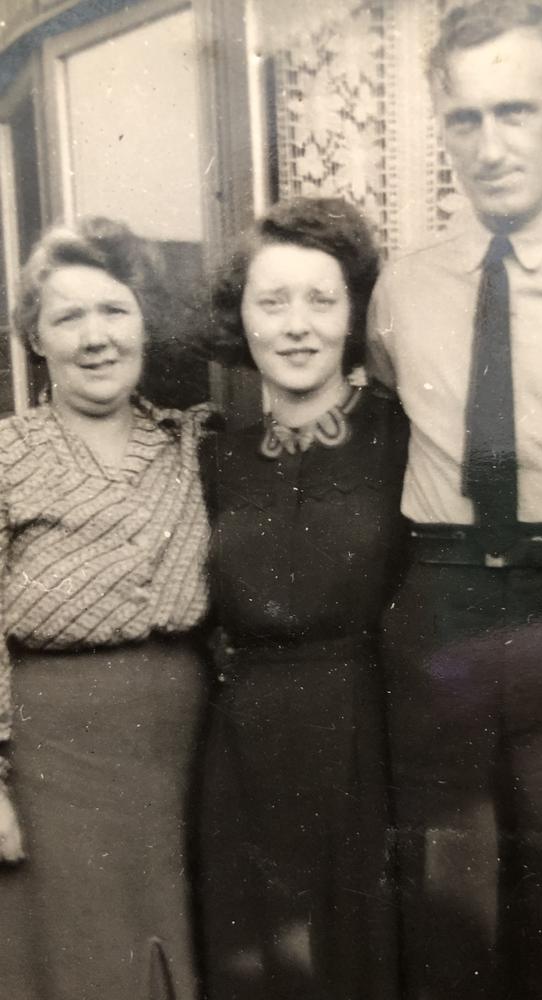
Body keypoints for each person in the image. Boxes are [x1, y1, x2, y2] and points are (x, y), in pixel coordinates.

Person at [368, 3, 542, 998]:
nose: (489, 146)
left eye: (515, 111)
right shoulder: (401, 287)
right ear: (441, 122)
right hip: (443, 602)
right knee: (451, 904)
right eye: (464, 118)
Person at [195, 196, 408, 1000]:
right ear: (240, 317)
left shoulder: (403, 436)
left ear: (352, 315)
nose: (296, 325)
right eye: (271, 300)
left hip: (367, 738)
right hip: (241, 751)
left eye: (321, 300)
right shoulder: (215, 454)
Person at [0, 217, 211, 1000]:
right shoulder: (7, 454)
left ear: (144, 323)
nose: (95, 337)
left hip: (185, 753)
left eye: (114, 311)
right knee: (73, 960)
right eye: (68, 317)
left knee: (179, 946)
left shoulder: (193, 442)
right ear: (35, 339)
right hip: (54, 755)